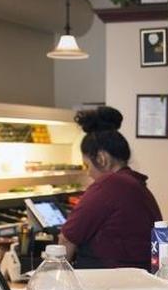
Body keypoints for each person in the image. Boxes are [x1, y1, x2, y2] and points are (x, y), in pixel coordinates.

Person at [59, 106, 161, 269]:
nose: (89, 173)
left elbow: (66, 240)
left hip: (107, 284)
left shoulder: (109, 184)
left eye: (87, 165)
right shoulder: (135, 184)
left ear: (102, 158)